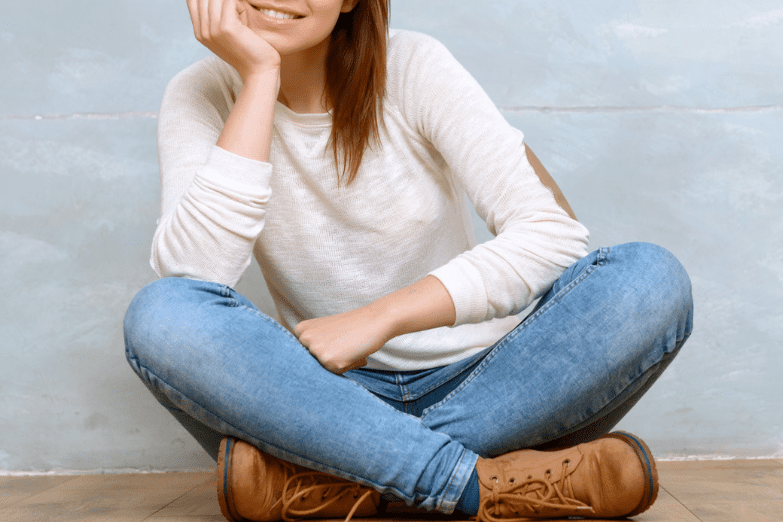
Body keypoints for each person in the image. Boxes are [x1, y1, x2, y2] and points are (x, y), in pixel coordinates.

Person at [123, 0, 694, 520]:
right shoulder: (198, 92)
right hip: (325, 399)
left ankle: (347, 481)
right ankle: (481, 485)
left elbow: (551, 234)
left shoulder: (416, 65)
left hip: (491, 383)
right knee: (161, 314)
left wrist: (379, 318)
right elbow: (197, 276)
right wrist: (259, 79)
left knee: (650, 280)